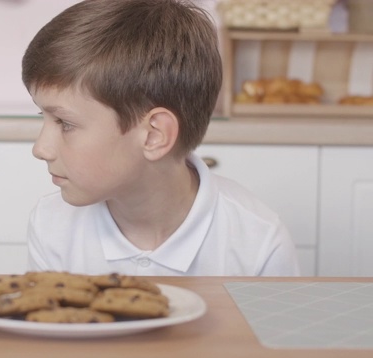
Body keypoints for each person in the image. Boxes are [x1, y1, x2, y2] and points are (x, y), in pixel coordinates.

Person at [21, 0, 300, 276]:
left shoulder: (260, 243)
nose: (40, 149)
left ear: (154, 135)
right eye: (42, 117)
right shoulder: (51, 225)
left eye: (65, 123)